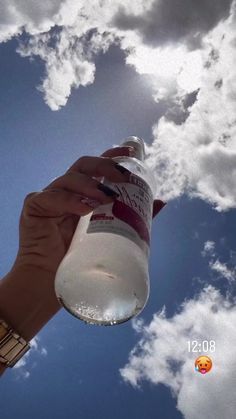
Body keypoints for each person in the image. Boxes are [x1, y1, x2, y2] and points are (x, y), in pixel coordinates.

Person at [0, 145, 165, 376]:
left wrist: (36, 276)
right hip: (81, 261)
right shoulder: (121, 172)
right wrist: (37, 271)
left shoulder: (141, 174)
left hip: (128, 276)